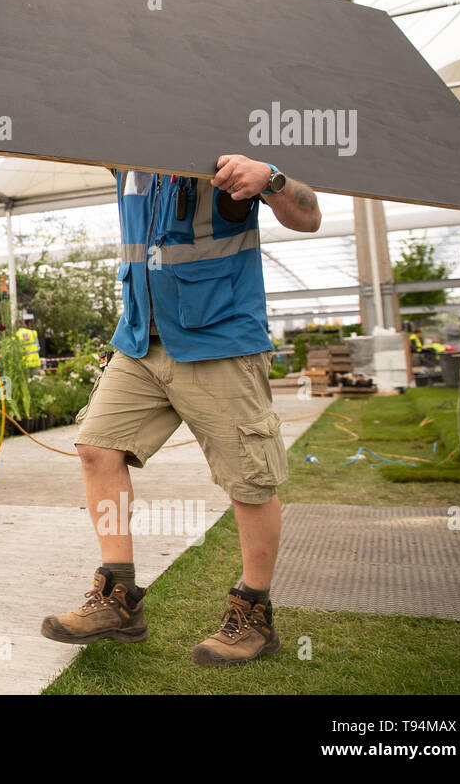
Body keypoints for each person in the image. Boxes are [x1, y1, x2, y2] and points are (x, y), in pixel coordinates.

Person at [40, 156, 321, 666]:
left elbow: (309, 215)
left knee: (248, 480)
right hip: (139, 338)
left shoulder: (227, 149)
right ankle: (117, 598)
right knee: (96, 448)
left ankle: (254, 616)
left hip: (219, 337)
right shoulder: (123, 157)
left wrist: (271, 180)